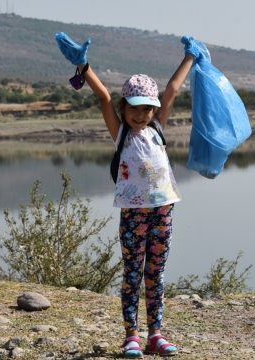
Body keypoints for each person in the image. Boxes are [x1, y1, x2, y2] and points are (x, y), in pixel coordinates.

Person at [55, 32, 208, 358]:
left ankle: (156, 334)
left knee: (156, 274)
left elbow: (171, 91)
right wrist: (83, 65)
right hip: (133, 214)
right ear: (125, 108)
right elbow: (102, 96)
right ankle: (131, 337)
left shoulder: (157, 128)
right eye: (136, 109)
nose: (142, 115)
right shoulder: (121, 132)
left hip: (163, 211)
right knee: (132, 275)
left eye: (148, 110)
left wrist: (190, 57)